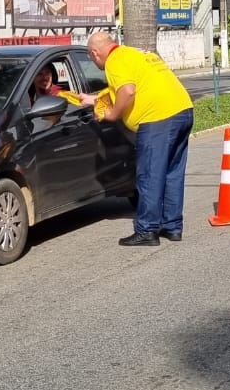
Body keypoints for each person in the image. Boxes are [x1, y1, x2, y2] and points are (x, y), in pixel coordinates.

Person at [80, 33, 194, 247]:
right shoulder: (132, 54)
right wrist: (93, 99)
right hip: (182, 109)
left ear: (95, 53)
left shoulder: (114, 62)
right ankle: (172, 226)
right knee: (172, 172)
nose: (94, 63)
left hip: (158, 119)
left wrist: (112, 115)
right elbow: (136, 86)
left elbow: (128, 91)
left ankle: (147, 230)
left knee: (149, 175)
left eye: (91, 58)